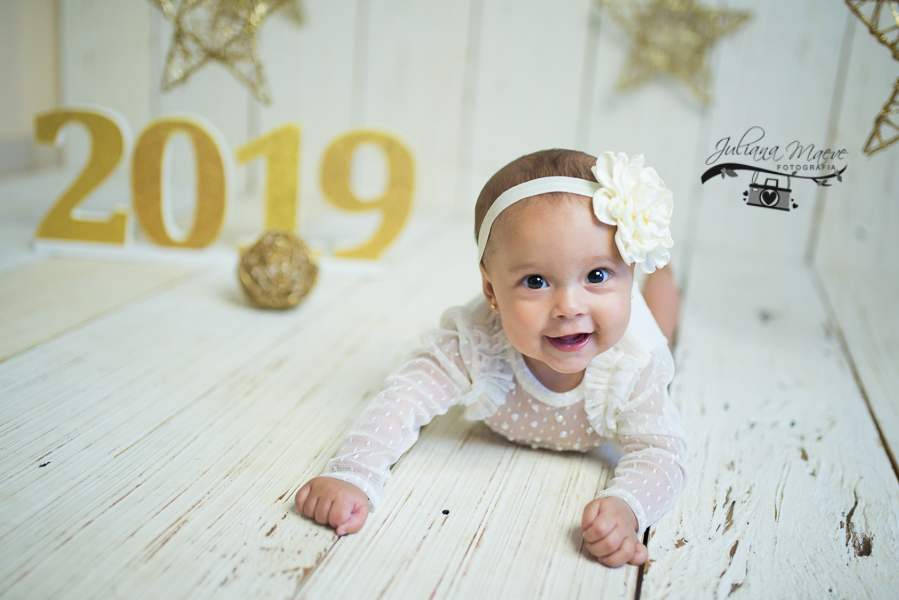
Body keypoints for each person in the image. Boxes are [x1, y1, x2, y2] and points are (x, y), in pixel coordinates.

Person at [296, 149, 687, 567]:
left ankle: (661, 275)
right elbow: (402, 399)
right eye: (535, 281)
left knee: (661, 326)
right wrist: (353, 473)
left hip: (635, 334)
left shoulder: (632, 363)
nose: (569, 306)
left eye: (597, 275)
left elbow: (661, 452)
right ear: (490, 290)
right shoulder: (475, 343)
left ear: (626, 272)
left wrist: (627, 506)